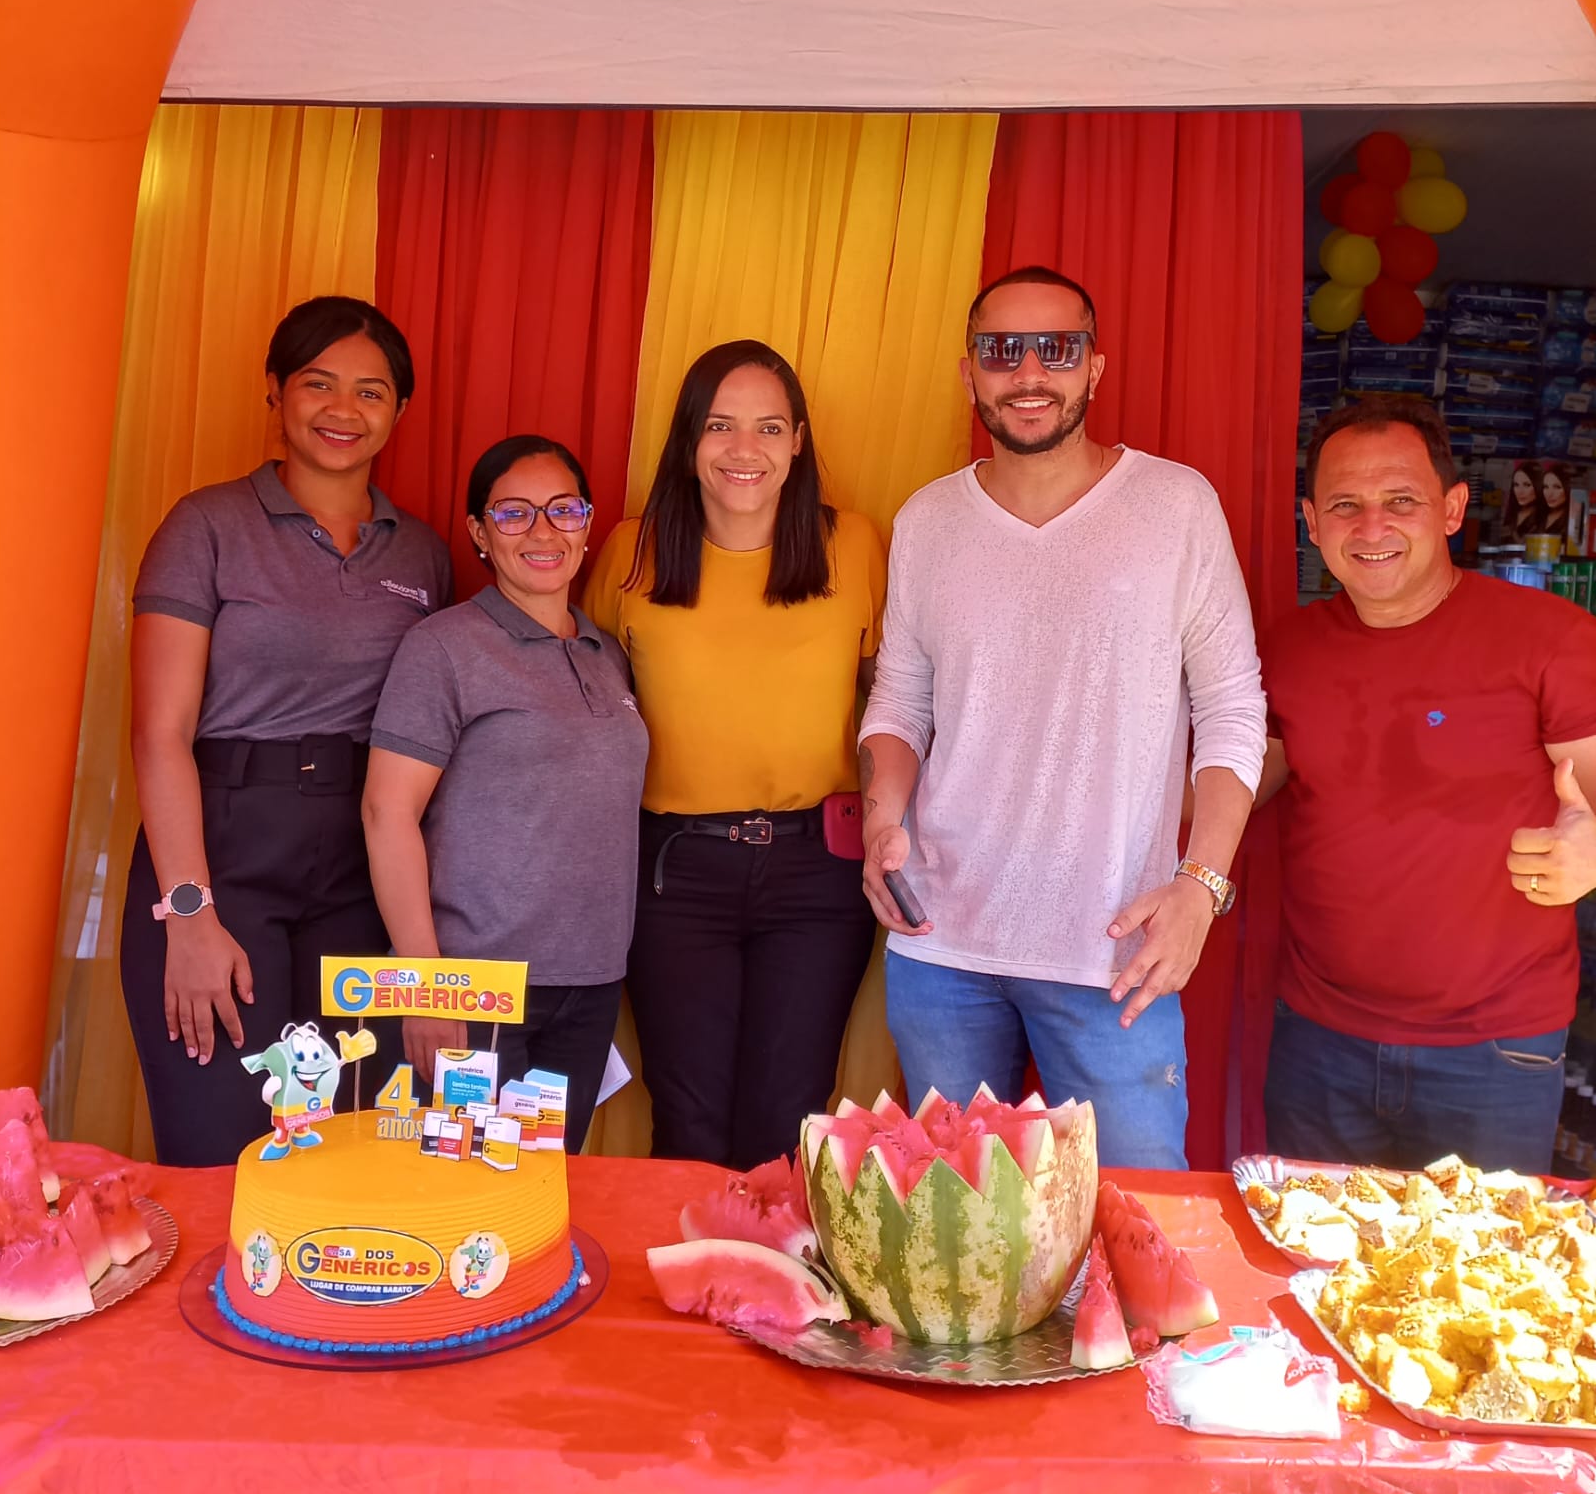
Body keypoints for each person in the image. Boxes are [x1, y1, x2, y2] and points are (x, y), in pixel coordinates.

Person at [858, 266, 1266, 1169]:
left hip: (1114, 948)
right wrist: (882, 817)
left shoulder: (1175, 505)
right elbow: (901, 698)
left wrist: (1201, 886)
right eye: (1002, 350)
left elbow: (1231, 705)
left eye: (1057, 347)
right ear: (969, 371)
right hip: (940, 943)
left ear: (1095, 367)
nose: (1029, 371)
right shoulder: (928, 518)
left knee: (1137, 1216)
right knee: (952, 1224)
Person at [121, 296, 452, 1167]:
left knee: (344, 1154)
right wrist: (187, 914)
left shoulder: (422, 554)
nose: (344, 410)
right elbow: (159, 733)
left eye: (370, 392)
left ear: (400, 410)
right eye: (318, 383)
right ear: (275, 391)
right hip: (222, 853)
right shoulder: (207, 524)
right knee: (222, 1157)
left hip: (359, 867)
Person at [1259, 396, 1596, 1173]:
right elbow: (1225, 791)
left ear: (1450, 508)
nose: (1370, 526)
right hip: (1318, 1041)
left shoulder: (1550, 638)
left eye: (1400, 500)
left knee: (1480, 1253)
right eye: (1344, 505)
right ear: (1310, 522)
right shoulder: (1287, 648)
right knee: (1305, 1245)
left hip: (1495, 1049)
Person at [584, 339, 885, 1170]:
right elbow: (585, 712)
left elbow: (894, 704)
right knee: (688, 1115)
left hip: (818, 871)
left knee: (789, 1117)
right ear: (688, 439)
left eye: (768, 427)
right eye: (719, 425)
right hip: (672, 871)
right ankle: (691, 1257)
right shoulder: (631, 552)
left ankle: (776, 1260)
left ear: (798, 442)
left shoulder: (853, 545)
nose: (743, 449)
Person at [363, 436, 647, 1152]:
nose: (544, 531)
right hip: (475, 987)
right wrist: (423, 987)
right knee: (463, 1193)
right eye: (514, 513)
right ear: (479, 533)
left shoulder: (607, 655)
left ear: (587, 524)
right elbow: (387, 812)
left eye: (564, 510)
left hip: (589, 984)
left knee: (543, 1188)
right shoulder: (445, 646)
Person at [1500, 461, 1546, 541]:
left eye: (1527, 485)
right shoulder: (1511, 515)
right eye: (1516, 485)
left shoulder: (1544, 518)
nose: (1520, 491)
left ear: (1538, 485)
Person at [1539, 462, 1574, 545]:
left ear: (1567, 488)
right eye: (1546, 487)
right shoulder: (1539, 515)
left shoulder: (1572, 521)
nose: (1549, 494)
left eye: (1557, 487)